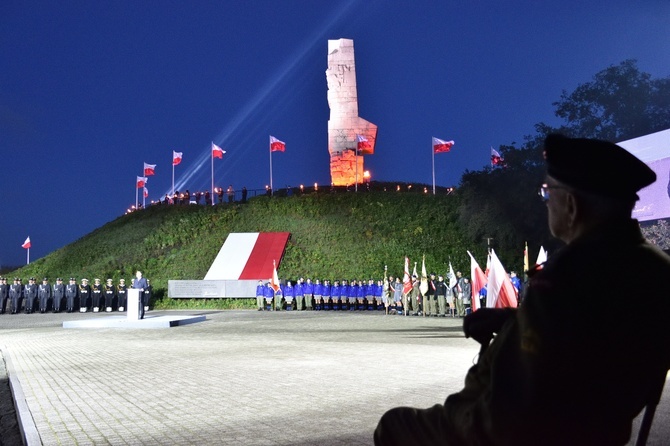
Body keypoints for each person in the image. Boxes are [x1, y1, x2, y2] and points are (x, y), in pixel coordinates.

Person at [374, 134, 670, 446]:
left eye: (547, 192)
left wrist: (463, 409)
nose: (546, 202)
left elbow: (511, 414)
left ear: (570, 204)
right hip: (602, 428)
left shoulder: (569, 276)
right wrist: (515, 319)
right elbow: (590, 330)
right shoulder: (656, 268)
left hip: (536, 430)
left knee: (394, 424)